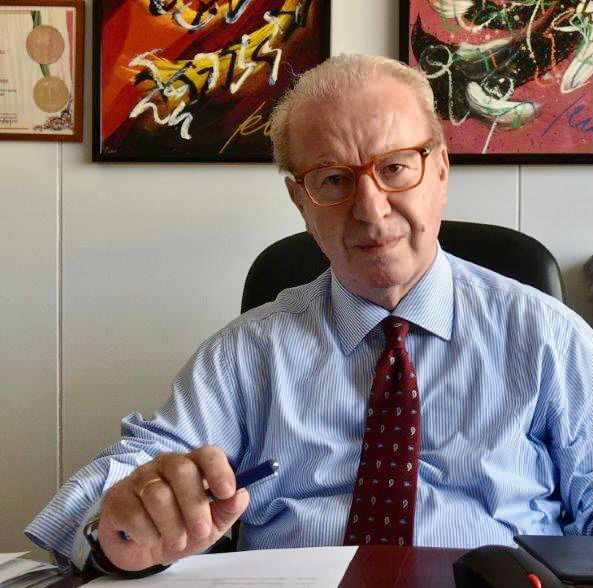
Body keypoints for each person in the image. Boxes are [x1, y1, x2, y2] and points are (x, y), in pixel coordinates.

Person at [26, 54, 593, 575]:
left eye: (395, 168)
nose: (370, 208)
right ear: (301, 201)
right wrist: (118, 528)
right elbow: (115, 489)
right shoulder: (247, 354)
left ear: (440, 170)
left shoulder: (549, 337)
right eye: (334, 180)